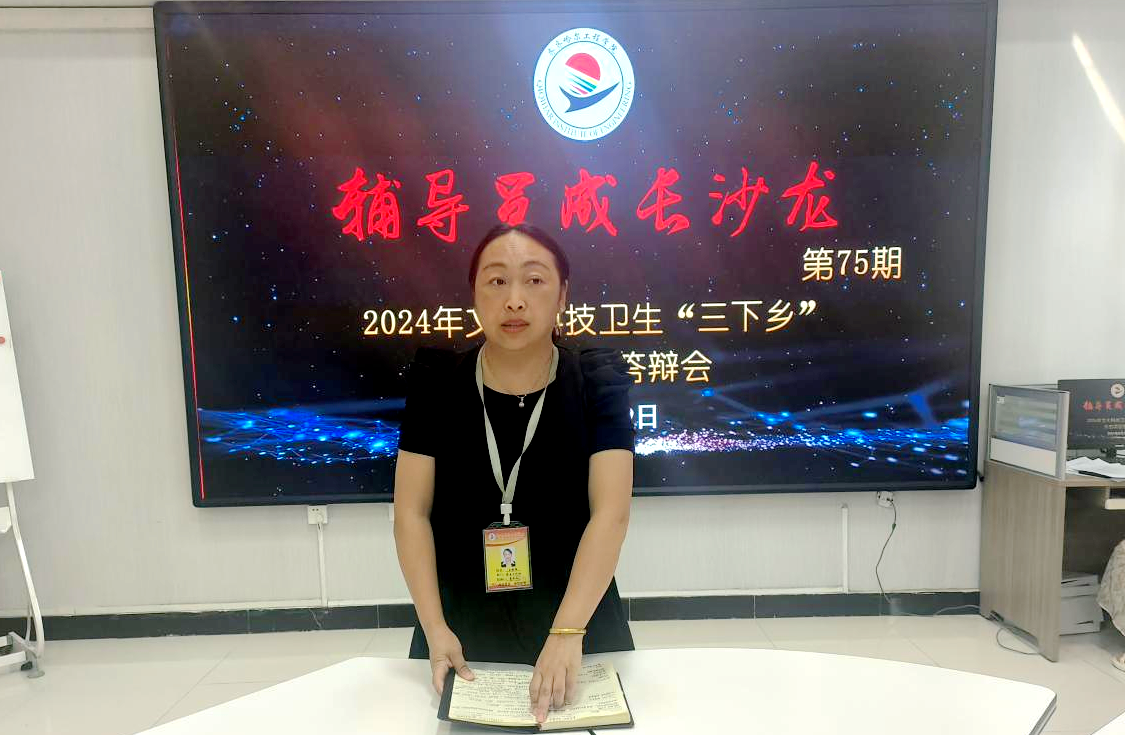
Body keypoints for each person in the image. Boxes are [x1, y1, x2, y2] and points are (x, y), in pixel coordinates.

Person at [393, 223, 635, 723]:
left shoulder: (596, 382)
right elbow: (410, 514)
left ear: (562, 295)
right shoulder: (437, 385)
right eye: (497, 281)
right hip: (458, 629)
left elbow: (610, 514)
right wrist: (434, 628)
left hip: (578, 623)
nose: (515, 300)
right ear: (475, 294)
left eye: (535, 280)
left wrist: (567, 632)